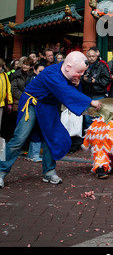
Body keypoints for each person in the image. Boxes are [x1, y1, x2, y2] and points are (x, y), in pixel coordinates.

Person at [0, 51, 103, 188]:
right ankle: (1, 171)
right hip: (32, 103)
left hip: (48, 106)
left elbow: (68, 88)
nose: (81, 75)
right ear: (68, 67)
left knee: (51, 137)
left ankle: (49, 171)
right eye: (79, 72)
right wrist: (91, 102)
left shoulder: (66, 72)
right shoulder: (51, 73)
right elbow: (64, 91)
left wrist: (75, 83)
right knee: (19, 138)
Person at [81, 48, 111, 129]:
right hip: (87, 96)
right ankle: (89, 138)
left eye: (93, 56)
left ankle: (99, 138)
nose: (91, 58)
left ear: (96, 56)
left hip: (99, 95)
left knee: (99, 119)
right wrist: (82, 79)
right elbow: (77, 79)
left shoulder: (102, 66)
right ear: (87, 57)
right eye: (89, 56)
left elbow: (108, 80)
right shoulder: (84, 66)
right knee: (88, 119)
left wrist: (96, 81)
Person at [25, 63, 45, 162]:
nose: (42, 73)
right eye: (40, 71)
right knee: (35, 130)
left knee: (35, 130)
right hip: (33, 107)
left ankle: (31, 154)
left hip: (38, 108)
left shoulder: (41, 80)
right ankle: (34, 155)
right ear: (35, 71)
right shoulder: (32, 80)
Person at [0, 58, 13, 134]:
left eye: (1, 66)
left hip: (1, 104)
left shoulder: (4, 75)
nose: (0, 68)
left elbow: (8, 89)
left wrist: (10, 102)